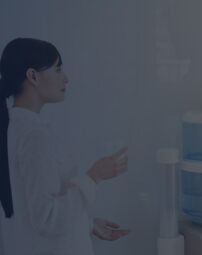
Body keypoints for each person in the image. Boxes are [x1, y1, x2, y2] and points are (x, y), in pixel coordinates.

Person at [0, 38, 130, 255]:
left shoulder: (12, 129)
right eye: (58, 69)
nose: (66, 78)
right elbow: (47, 218)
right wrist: (94, 176)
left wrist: (85, 225)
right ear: (33, 76)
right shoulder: (34, 137)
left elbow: (26, 213)